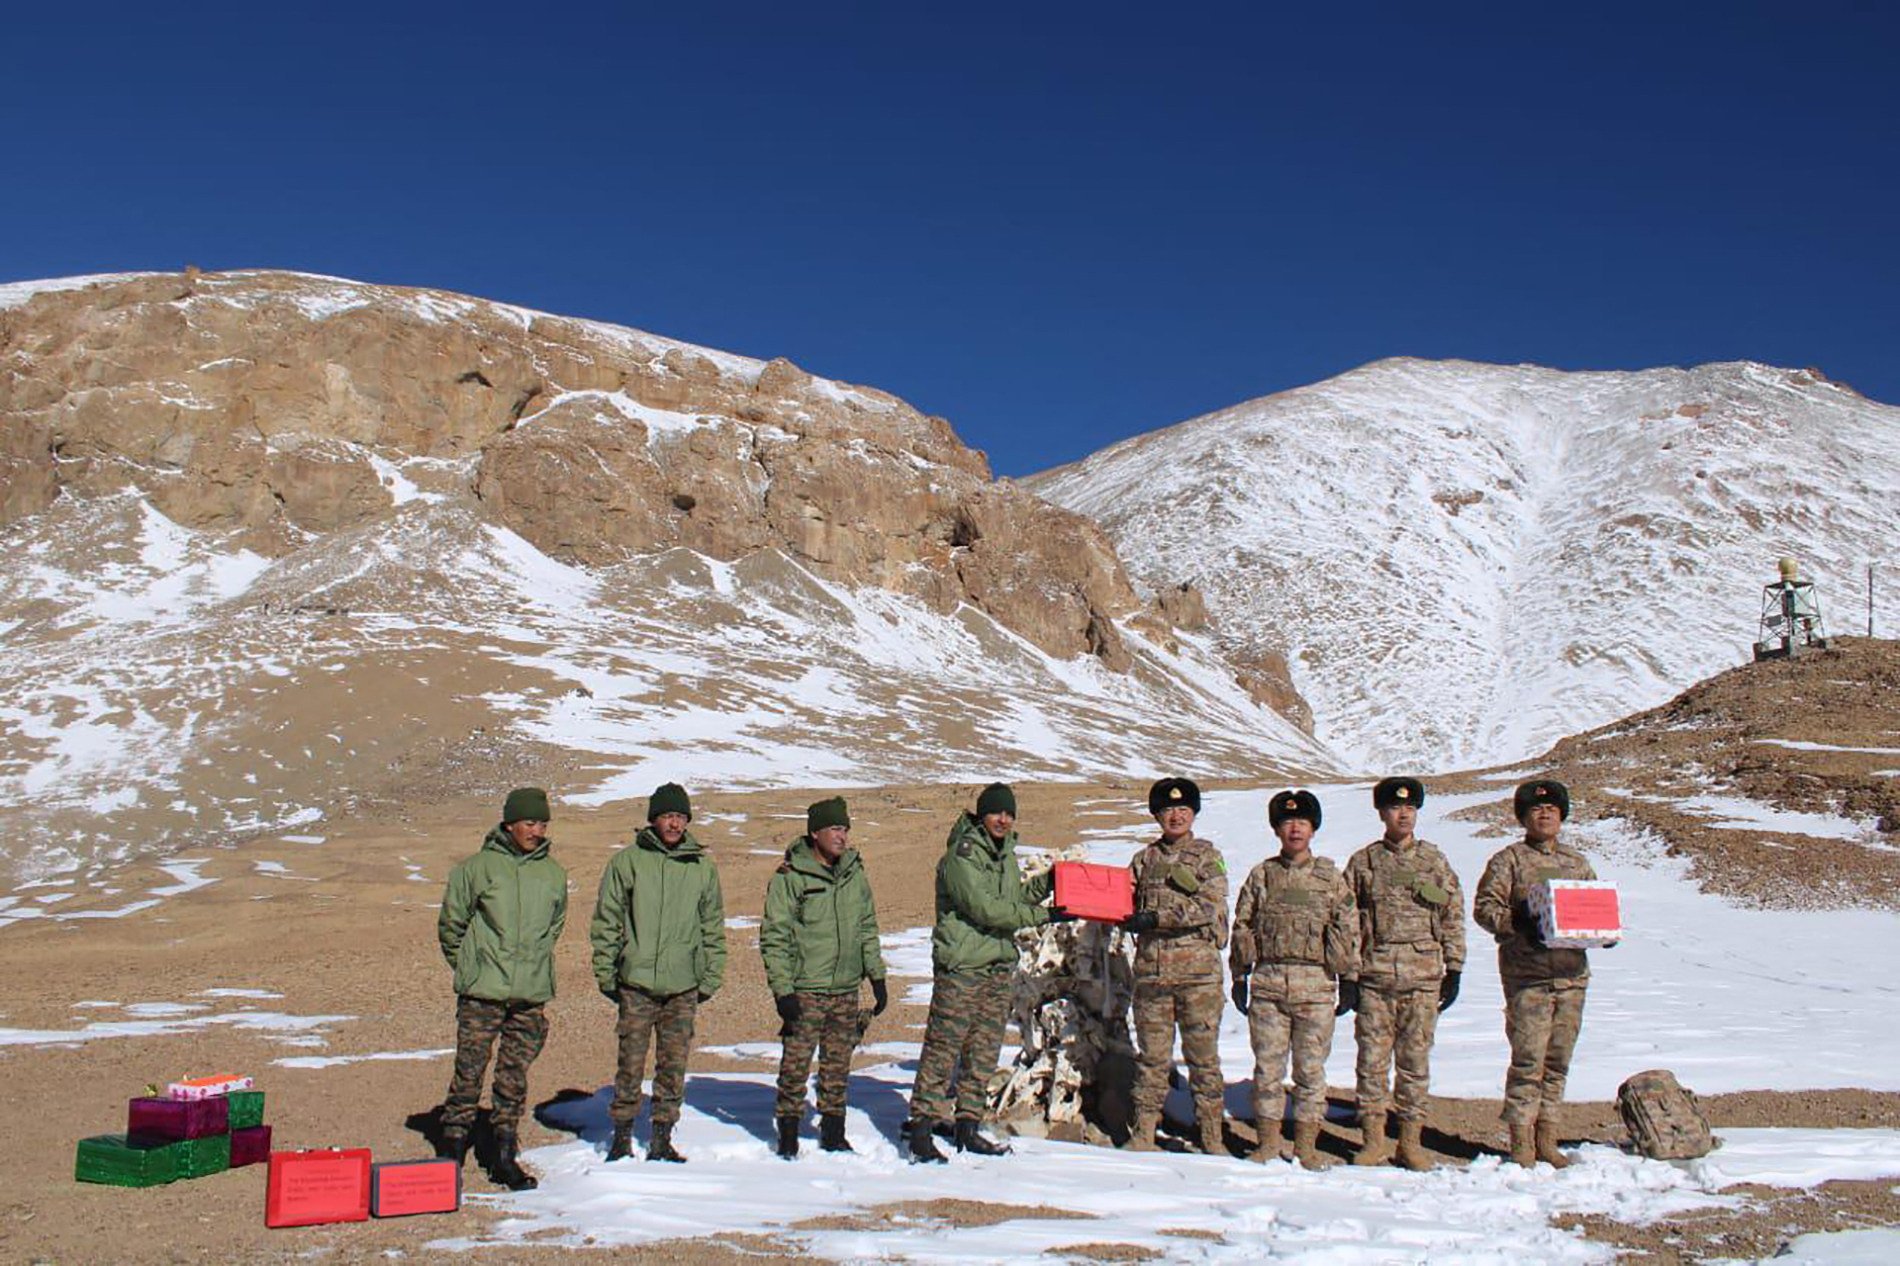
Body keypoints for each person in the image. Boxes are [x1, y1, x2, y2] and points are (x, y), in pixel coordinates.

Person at [904, 782, 1065, 1163]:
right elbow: (987, 909)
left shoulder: (1003, 856)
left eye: (1009, 814)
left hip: (995, 966)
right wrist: (1044, 916)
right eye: (996, 813)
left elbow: (1013, 899)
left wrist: (1051, 882)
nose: (1004, 820)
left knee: (983, 1051)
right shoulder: (962, 856)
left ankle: (967, 1125)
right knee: (943, 1049)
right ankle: (922, 1127)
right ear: (982, 814)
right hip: (963, 967)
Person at [436, 786, 568, 1192]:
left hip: (529, 992)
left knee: (514, 1077)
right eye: (530, 822)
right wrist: (472, 968)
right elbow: (451, 927)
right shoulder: (475, 869)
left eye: (543, 823)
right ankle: (452, 1150)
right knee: (469, 1070)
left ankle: (504, 1154)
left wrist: (534, 964)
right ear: (509, 823)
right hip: (483, 992)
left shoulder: (553, 874)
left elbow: (554, 926)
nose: (537, 830)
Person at [590, 782, 727, 1164]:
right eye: (668, 816)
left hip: (683, 984)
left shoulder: (700, 866)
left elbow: (712, 925)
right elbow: (606, 921)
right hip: (637, 983)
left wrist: (711, 975)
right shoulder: (628, 863)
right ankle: (621, 1136)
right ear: (653, 819)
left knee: (674, 1064)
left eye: (681, 817)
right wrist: (607, 972)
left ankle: (662, 1137)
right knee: (630, 1062)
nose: (675, 824)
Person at [1473, 779, 1599, 1168]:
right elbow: (1484, 908)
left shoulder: (1577, 863)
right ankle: (1521, 1143)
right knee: (1528, 1061)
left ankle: (1548, 1137)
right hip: (1528, 978)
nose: (1544, 815)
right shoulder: (1508, 860)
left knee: (1558, 1060)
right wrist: (1518, 922)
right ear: (1524, 817)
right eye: (1536, 810)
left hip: (1571, 976)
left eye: (1552, 810)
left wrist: (1601, 931)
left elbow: (1593, 905)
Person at [1342, 776, 1466, 1170]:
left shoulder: (1433, 861)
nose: (1403, 814)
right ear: (1382, 812)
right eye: (1396, 808)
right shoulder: (1364, 862)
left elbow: (1452, 913)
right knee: (1372, 1064)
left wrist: (1455, 966)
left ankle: (1410, 1143)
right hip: (1375, 978)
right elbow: (1346, 921)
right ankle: (1374, 1141)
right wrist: (1349, 974)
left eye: (1410, 808)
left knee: (1415, 1064)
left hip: (1423, 978)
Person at [1230, 788, 1358, 1168]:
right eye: (1288, 822)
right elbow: (1243, 925)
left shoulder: (1330, 878)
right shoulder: (1262, 876)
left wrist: (1349, 978)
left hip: (1316, 986)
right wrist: (1240, 976)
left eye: (1302, 822)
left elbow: (1348, 928)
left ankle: (1306, 1146)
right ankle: (1268, 1143)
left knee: (1310, 1072)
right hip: (1269, 985)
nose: (1295, 829)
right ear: (1276, 829)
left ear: (1313, 828)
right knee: (1267, 1070)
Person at [761, 796, 889, 1158]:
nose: (842, 836)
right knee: (795, 1065)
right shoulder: (792, 877)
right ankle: (787, 1131)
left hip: (846, 988)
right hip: (806, 989)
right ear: (815, 832)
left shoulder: (854, 874)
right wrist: (783, 990)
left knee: (837, 1065)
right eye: (835, 828)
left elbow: (866, 927)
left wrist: (876, 976)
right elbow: (775, 936)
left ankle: (834, 1131)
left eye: (845, 829)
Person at [1122, 777, 1230, 1155]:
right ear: (1156, 815)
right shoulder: (1144, 860)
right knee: (1151, 1059)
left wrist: (1157, 919)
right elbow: (1123, 903)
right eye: (1167, 810)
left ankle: (1212, 1136)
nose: (1175, 816)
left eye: (1183, 809)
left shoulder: (1206, 857)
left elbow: (1210, 906)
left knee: (1204, 1060)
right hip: (1152, 976)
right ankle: (1145, 1133)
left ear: (1194, 813)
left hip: (1198, 977)